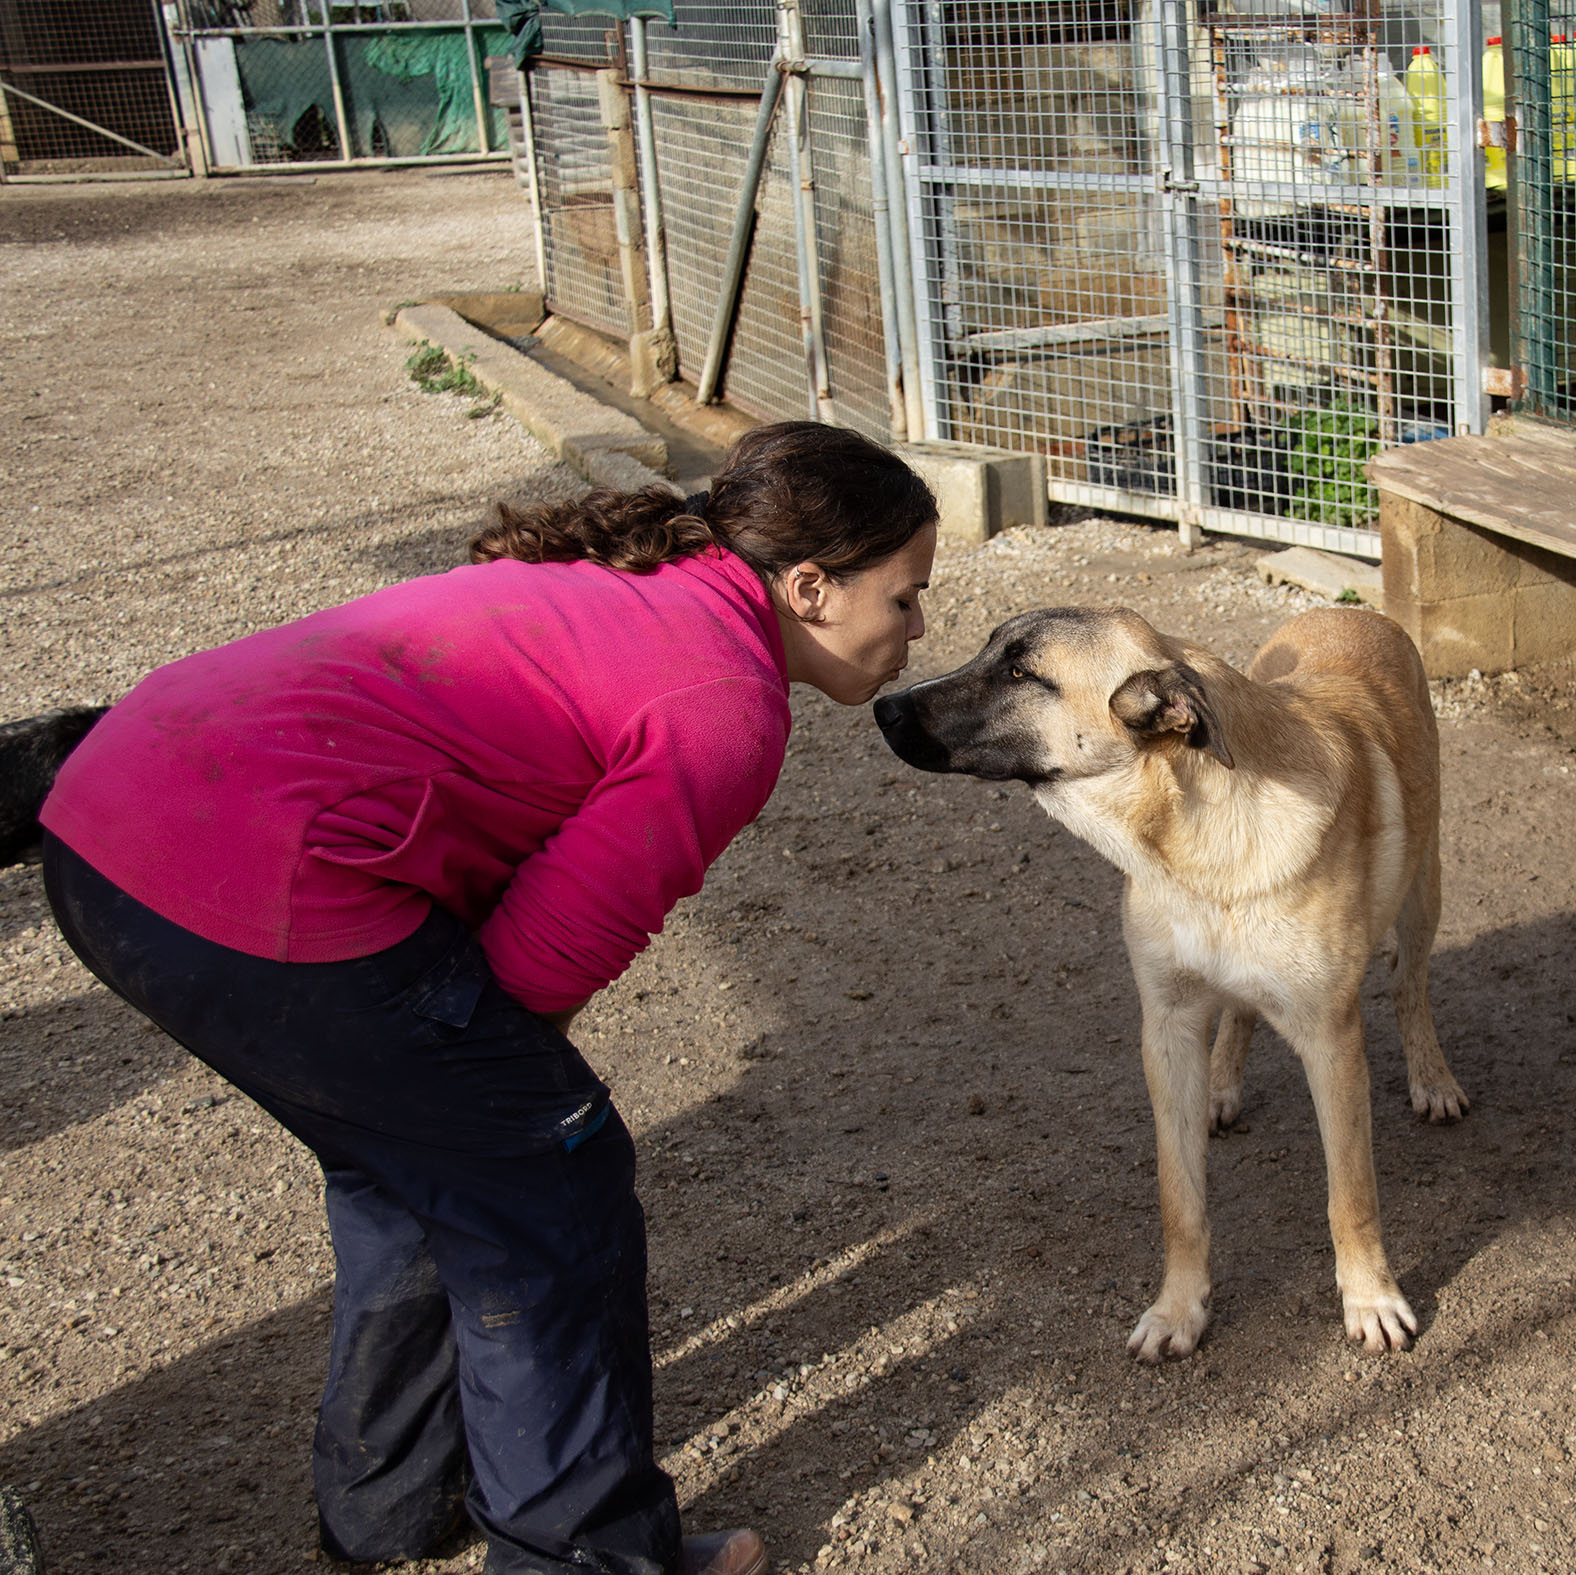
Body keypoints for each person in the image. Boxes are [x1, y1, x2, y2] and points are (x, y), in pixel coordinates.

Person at [37, 422, 938, 1575]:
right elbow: (537, 966)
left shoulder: (639, 575)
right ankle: (579, 1557)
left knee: (424, 1151)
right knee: (545, 1179)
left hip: (108, 820)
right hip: (244, 877)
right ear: (809, 586)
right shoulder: (722, 699)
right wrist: (511, 1111)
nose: (917, 629)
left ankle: (396, 1505)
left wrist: (461, 1100)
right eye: (904, 596)